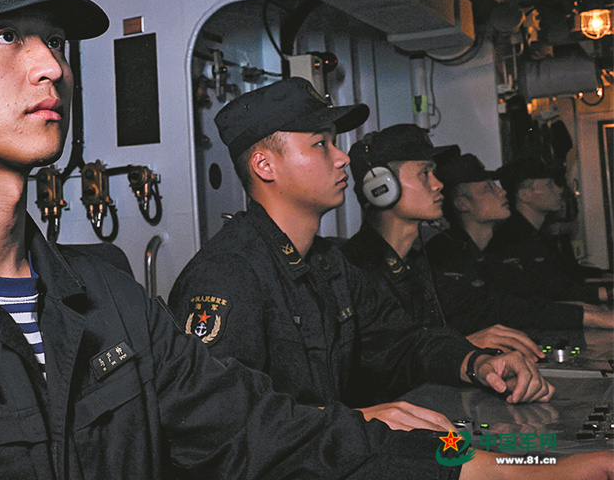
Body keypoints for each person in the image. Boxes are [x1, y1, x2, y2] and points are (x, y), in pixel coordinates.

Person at [0, 0, 611, 480]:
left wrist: (499, 472)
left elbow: (266, 434)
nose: (51, 66)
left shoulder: (105, 296)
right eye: (5, 36)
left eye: (50, 40)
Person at [169, 82, 552, 437]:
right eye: (320, 144)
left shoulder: (330, 264)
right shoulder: (226, 275)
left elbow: (403, 344)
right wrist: (355, 419)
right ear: (265, 166)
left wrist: (475, 363)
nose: (340, 158)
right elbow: (220, 423)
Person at [425, 152, 612, 333]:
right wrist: (588, 316)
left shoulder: (483, 254)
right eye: (488, 188)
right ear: (462, 204)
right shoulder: (445, 254)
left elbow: (532, 291)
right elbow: (499, 310)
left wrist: (584, 310)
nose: (502, 192)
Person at [488, 157, 611, 305]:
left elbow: (568, 273)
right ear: (525, 195)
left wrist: (605, 275)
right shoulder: (511, 241)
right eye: (549, 185)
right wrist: (605, 293)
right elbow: (547, 291)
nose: (559, 190)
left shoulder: (538, 235)